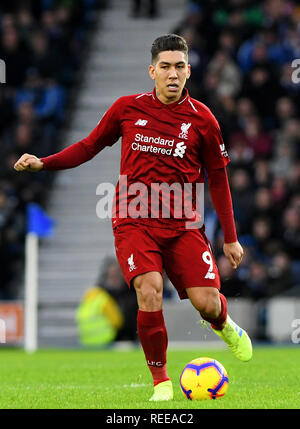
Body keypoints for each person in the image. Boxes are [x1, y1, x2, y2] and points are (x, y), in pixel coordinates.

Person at [14, 34, 252, 402]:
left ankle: (222, 322)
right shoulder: (127, 108)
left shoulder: (203, 119)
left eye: (179, 67)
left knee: (206, 301)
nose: (172, 74)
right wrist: (44, 162)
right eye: (165, 67)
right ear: (152, 70)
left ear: (188, 71)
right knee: (149, 289)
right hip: (134, 218)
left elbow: (218, 180)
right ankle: (161, 381)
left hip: (183, 223)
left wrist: (231, 237)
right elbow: (89, 146)